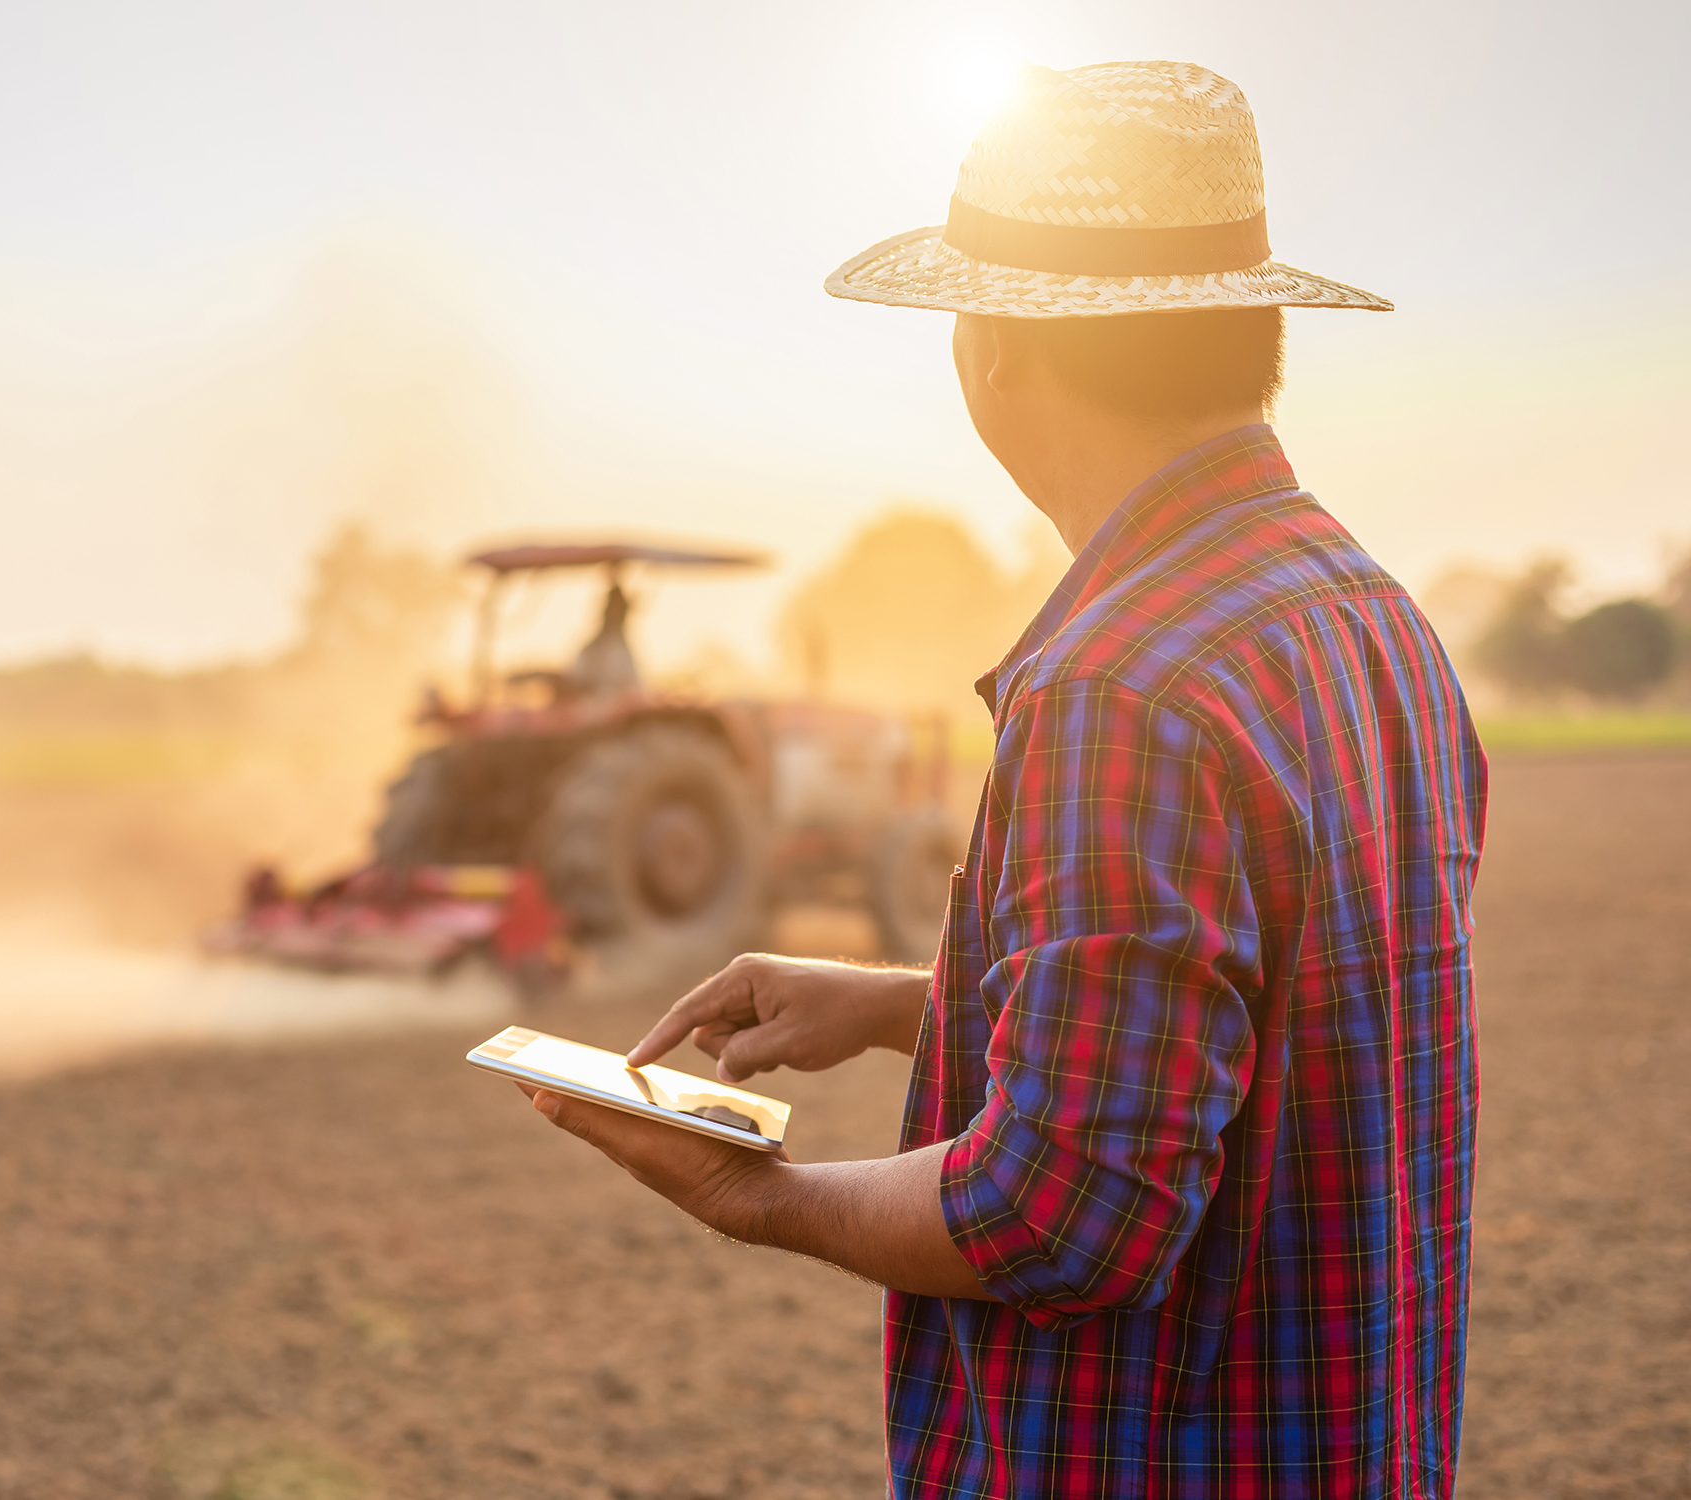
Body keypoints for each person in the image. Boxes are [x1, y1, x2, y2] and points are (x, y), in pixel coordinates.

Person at [519, 60, 1486, 1498]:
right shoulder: (1373, 623)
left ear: (993, 348)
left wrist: (760, 1195)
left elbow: (1068, 1213)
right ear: (1254, 326)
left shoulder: (1119, 684)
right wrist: (920, 1005)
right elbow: (1237, 1034)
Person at [567, 580, 642, 698]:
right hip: (597, 712)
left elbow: (633, 687)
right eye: (616, 609)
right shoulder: (591, 649)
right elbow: (575, 683)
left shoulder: (622, 646)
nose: (620, 615)